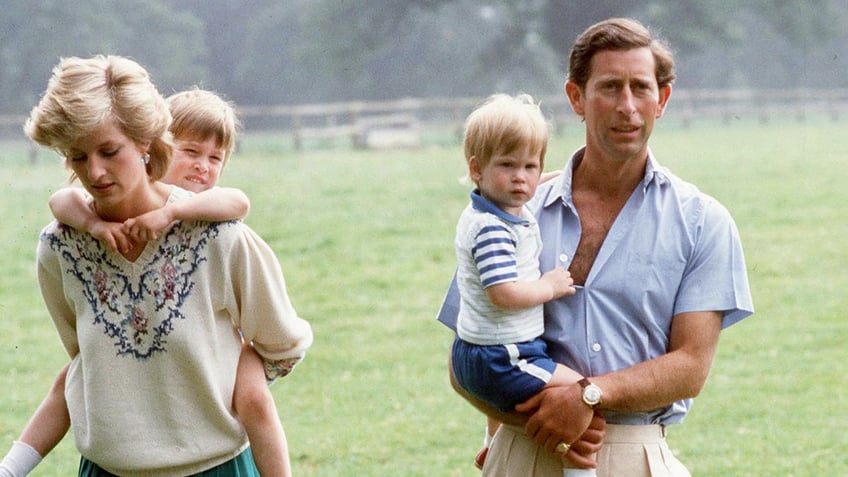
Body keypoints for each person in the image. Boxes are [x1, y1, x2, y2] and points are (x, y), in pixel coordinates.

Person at [438, 17, 754, 477]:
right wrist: (511, 429)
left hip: (636, 456)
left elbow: (690, 368)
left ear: (661, 100)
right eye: (609, 87)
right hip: (523, 448)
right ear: (576, 99)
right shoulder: (513, 213)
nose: (627, 106)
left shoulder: (703, 222)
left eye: (641, 88)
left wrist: (587, 394)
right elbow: (468, 348)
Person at [9, 54, 313, 476]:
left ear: (145, 141)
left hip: (216, 469)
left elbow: (283, 345)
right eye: (77, 158)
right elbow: (83, 359)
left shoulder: (220, 238)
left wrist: (246, 368)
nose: (94, 172)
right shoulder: (60, 247)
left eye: (109, 151)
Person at [450, 93, 597, 476]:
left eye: (531, 166)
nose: (521, 177)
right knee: (582, 396)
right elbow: (503, 292)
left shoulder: (495, 206)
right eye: (508, 165)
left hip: (478, 351)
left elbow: (529, 185)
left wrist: (564, 176)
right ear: (476, 168)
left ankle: (490, 446)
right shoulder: (492, 229)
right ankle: (581, 473)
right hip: (503, 356)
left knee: (529, 405)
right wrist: (549, 287)